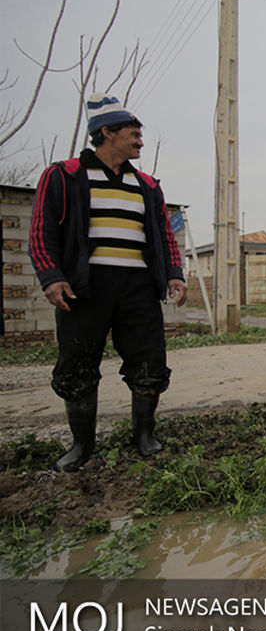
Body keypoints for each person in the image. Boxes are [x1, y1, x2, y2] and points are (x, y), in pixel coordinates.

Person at [29, 94, 187, 471]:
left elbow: (164, 235)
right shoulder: (64, 175)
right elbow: (41, 230)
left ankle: (144, 436)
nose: (140, 142)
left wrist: (174, 273)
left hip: (137, 287)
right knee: (79, 364)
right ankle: (82, 445)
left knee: (149, 361)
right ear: (106, 133)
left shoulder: (146, 185)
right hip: (85, 287)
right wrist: (51, 277)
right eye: (134, 134)